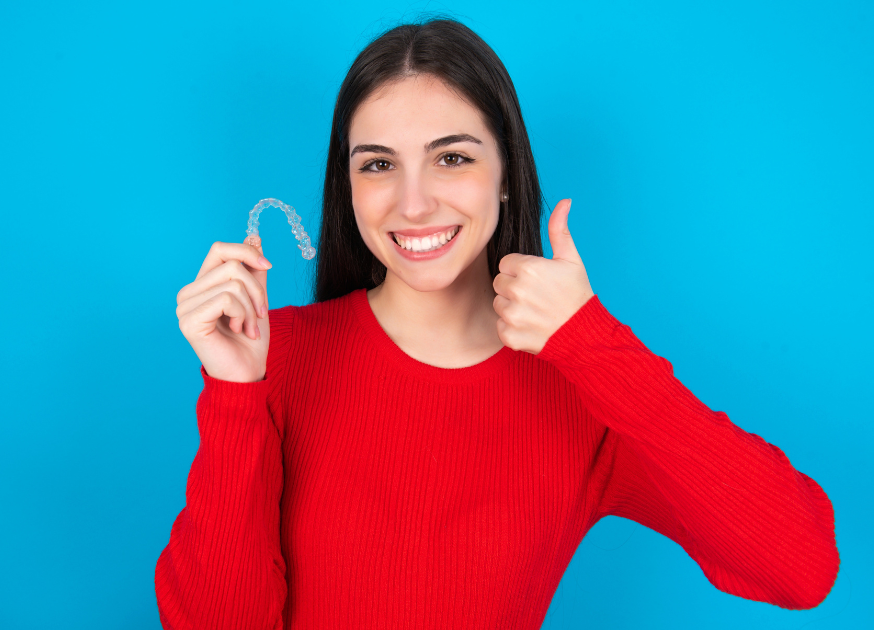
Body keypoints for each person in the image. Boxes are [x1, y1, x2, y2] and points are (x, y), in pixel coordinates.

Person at [155, 18, 840, 629]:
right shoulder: (280, 357)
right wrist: (236, 393)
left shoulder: (582, 383)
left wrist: (595, 347)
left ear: (506, 172)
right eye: (378, 165)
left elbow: (800, 568)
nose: (414, 202)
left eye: (452, 158)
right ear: (349, 186)